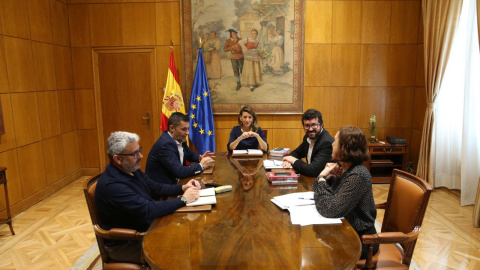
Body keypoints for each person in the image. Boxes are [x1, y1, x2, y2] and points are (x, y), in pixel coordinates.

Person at [95, 131, 200, 264]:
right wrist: (183, 199)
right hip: (128, 243)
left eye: (139, 150)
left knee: (189, 235)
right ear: (117, 159)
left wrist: (183, 187)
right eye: (134, 154)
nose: (141, 156)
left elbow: (156, 188)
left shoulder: (131, 169)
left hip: (146, 228)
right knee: (181, 248)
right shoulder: (112, 185)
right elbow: (148, 209)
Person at [313, 126, 379, 260]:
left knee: (319, 253)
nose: (332, 143)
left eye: (335, 141)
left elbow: (330, 209)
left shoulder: (357, 175)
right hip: (343, 229)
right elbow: (319, 190)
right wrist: (328, 177)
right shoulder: (345, 169)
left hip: (361, 239)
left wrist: (321, 177)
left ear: (345, 147)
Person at [146, 112, 215, 185]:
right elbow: (180, 172)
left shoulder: (179, 138)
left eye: (188, 129)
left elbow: (189, 154)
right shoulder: (165, 145)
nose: (187, 133)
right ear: (172, 128)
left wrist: (200, 158)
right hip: (164, 189)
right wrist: (201, 166)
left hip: (177, 182)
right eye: (184, 129)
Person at [282, 109, 334, 177]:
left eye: (314, 125)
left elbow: (313, 170)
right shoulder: (308, 137)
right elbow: (297, 152)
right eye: (307, 126)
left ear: (321, 125)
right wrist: (288, 160)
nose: (310, 129)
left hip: (323, 183)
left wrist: (293, 160)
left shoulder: (326, 143)